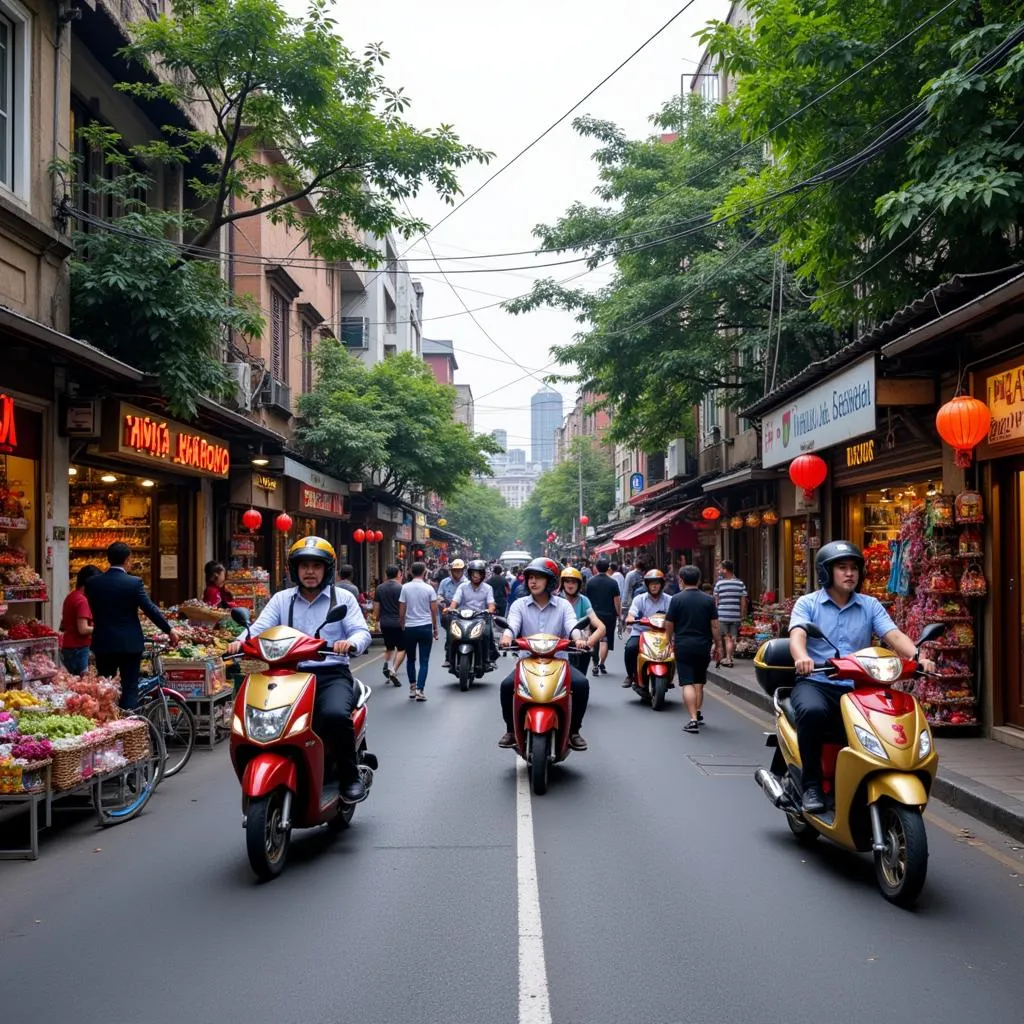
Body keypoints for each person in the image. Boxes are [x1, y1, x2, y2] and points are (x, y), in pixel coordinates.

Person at [788, 540, 935, 814]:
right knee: (812, 712)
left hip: (859, 687)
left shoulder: (870, 605)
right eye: (842, 568)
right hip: (817, 683)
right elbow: (797, 635)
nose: (849, 573)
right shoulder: (808, 603)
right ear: (826, 572)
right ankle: (811, 785)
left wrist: (917, 657)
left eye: (854, 568)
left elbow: (893, 635)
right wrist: (802, 658)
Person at [226, 536, 371, 802]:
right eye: (304, 565)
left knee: (335, 715)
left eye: (316, 566)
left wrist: (349, 643)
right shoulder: (282, 599)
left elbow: (361, 631)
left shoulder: (344, 599)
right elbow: (259, 629)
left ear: (327, 569)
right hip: (287, 676)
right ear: (295, 569)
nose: (310, 571)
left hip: (329, 675)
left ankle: (349, 777)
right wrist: (240, 641)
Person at [497, 558, 595, 751]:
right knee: (506, 686)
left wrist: (579, 639)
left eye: (539, 578)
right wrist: (506, 637)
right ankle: (510, 730)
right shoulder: (519, 605)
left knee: (582, 684)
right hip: (528, 662)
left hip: (558, 662)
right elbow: (512, 625)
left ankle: (574, 731)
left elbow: (572, 626)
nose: (533, 582)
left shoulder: (563, 606)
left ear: (550, 581)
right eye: (530, 578)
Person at [86, 542, 180, 711]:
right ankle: (128, 723)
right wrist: (169, 629)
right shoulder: (133, 583)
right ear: (128, 559)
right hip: (129, 645)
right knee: (130, 687)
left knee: (105, 688)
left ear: (108, 559)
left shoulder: (93, 583)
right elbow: (149, 609)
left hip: (103, 643)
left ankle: (106, 723)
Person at [665, 566, 721, 733]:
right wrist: (718, 645)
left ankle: (693, 719)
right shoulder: (708, 600)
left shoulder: (676, 599)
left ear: (681, 580)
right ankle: (697, 712)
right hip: (703, 645)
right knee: (699, 681)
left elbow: (669, 623)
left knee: (687, 682)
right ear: (698, 580)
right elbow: (715, 625)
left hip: (683, 645)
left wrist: (668, 640)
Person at [623, 569, 672, 688]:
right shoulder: (639, 599)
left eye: (656, 583)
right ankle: (630, 675)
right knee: (630, 648)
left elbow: (675, 616)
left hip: (662, 633)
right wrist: (630, 618)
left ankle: (671, 676)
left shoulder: (669, 599)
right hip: (641, 632)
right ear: (647, 585)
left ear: (662, 585)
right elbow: (631, 614)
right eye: (651, 584)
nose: (654, 586)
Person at [399, 561, 439, 700]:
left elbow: (402, 608)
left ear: (410, 572)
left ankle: (412, 687)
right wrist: (435, 628)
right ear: (424, 572)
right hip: (425, 627)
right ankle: (420, 690)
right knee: (424, 660)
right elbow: (434, 610)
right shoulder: (429, 589)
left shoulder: (405, 588)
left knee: (410, 659)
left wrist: (402, 624)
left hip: (410, 627)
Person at [559, 567, 606, 675]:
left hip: (579, 648)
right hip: (558, 648)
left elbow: (600, 626)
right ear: (562, 583)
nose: (570, 585)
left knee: (581, 683)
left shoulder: (584, 600)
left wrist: (589, 643)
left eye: (573, 582)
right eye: (567, 581)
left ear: (579, 584)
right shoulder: (556, 600)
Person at [450, 559, 498, 665]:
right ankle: (449, 659)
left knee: (486, 634)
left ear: (482, 575)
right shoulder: (462, 586)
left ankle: (487, 659)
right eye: (473, 573)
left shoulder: (488, 588)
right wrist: (450, 609)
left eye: (478, 573)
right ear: (469, 574)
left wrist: (490, 610)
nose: (476, 576)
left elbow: (491, 604)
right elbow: (455, 601)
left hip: (481, 618)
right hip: (462, 617)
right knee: (452, 634)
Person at [60, 564, 101, 675]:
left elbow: (63, 625)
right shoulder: (82, 601)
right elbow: (83, 629)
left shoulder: (71, 596)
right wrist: (101, 628)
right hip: (78, 648)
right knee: (82, 682)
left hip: (68, 646)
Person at [586, 557, 621, 676]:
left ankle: (595, 664)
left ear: (596, 567)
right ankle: (601, 663)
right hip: (609, 615)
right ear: (608, 568)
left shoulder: (590, 582)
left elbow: (586, 600)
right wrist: (619, 614)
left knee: (595, 639)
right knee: (605, 639)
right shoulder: (612, 582)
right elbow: (617, 601)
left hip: (593, 615)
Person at [372, 565, 404, 686]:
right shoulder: (401, 588)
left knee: (389, 647)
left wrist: (376, 621)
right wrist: (403, 621)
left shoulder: (380, 588)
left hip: (385, 622)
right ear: (397, 574)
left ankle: (387, 664)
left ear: (386, 575)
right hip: (398, 622)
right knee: (402, 648)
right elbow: (403, 606)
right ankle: (393, 670)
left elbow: (376, 607)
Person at [712, 559, 748, 667]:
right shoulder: (740, 584)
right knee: (732, 637)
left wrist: (715, 614)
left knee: (727, 637)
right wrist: (742, 614)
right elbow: (743, 601)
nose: (719, 571)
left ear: (725, 570)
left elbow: (716, 601)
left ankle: (728, 658)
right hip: (735, 615)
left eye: (721, 569)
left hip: (723, 615)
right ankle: (729, 657)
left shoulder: (719, 584)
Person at [437, 558, 467, 667]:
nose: (458, 572)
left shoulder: (467, 583)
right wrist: (443, 603)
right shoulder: (444, 582)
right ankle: (448, 657)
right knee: (451, 634)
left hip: (464, 615)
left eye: (460, 570)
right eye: (455, 570)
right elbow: (439, 595)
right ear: (451, 570)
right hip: (448, 615)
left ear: (463, 570)